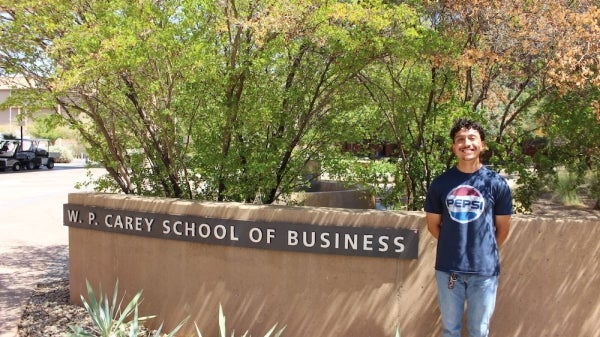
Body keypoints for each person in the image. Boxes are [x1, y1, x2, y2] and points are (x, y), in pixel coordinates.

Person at [425, 118, 513, 337]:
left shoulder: (496, 183)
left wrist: (481, 252)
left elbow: (502, 230)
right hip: (450, 271)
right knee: (450, 329)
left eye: (472, 138)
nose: (467, 143)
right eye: (460, 140)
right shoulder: (441, 183)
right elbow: (433, 226)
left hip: (484, 271)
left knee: (479, 330)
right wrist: (454, 246)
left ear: (482, 145)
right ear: (454, 147)